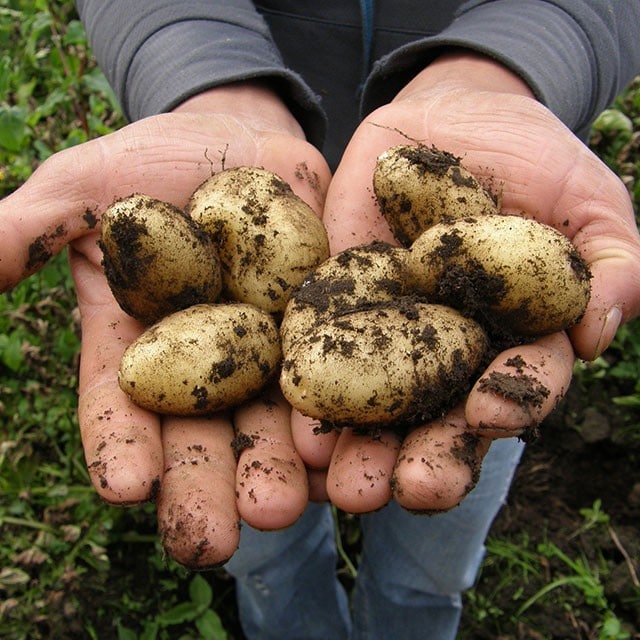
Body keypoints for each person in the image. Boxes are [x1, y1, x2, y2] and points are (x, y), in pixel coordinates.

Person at [1, 1, 640, 638]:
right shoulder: (276, 300)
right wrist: (204, 79)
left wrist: (503, 67)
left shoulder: (432, 272)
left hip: (464, 297)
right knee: (264, 537)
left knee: (434, 544)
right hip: (269, 167)